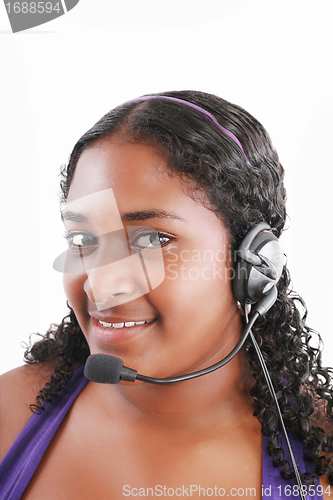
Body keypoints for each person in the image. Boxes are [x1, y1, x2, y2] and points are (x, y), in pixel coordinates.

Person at [0, 90, 332, 500]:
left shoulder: (322, 465)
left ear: (253, 265)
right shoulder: (8, 414)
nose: (100, 284)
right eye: (85, 238)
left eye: (153, 239)